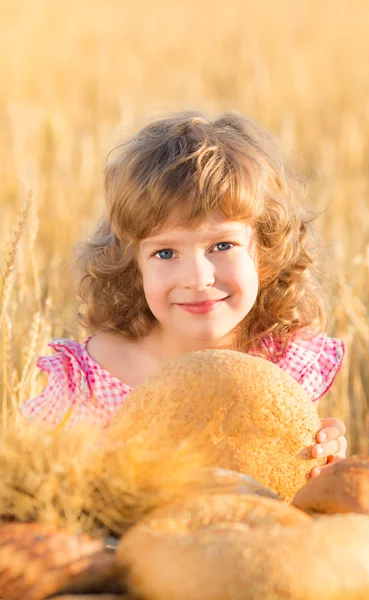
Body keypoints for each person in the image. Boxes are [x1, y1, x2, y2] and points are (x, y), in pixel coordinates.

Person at [20, 111, 347, 477]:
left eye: (222, 245)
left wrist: (324, 460)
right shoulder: (90, 385)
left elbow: (282, 486)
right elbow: (32, 485)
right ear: (134, 266)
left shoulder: (282, 367)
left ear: (266, 250)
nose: (197, 278)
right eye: (165, 253)